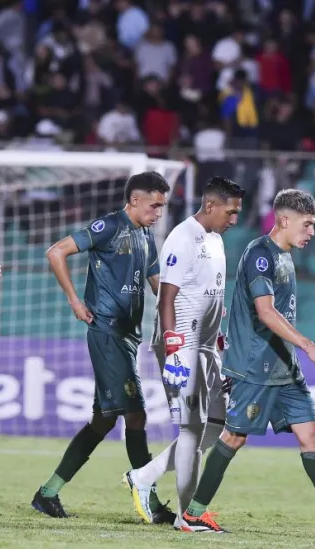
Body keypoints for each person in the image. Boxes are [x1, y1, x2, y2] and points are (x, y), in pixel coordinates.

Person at [179, 189, 315, 538]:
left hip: (283, 366)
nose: (311, 232)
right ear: (284, 220)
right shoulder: (260, 255)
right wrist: (309, 346)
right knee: (234, 437)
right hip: (255, 366)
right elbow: (265, 312)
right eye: (307, 225)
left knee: (312, 434)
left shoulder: (286, 256)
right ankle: (194, 515)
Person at [32, 171, 172, 522]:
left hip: (129, 336)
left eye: (162, 207)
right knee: (136, 415)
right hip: (106, 331)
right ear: (136, 200)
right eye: (155, 205)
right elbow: (56, 252)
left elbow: (157, 282)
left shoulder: (145, 234)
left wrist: (183, 313)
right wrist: (74, 301)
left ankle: (48, 493)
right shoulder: (108, 226)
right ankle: (148, 498)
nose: (159, 213)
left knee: (103, 421)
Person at [123, 177, 244, 524]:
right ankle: (188, 517)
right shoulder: (182, 236)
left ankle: (143, 477)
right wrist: (174, 347)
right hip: (182, 346)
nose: (234, 219)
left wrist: (219, 340)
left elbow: (210, 295)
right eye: (231, 212)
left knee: (219, 424)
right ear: (210, 205)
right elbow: (167, 297)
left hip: (206, 346)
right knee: (192, 428)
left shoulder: (216, 240)